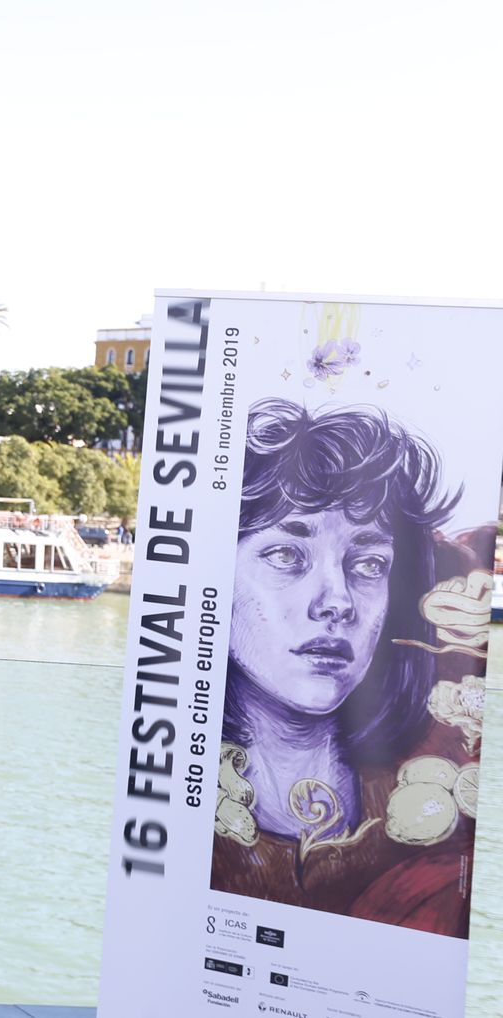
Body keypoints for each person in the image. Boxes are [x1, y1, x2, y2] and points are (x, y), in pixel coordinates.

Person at [211, 397, 487, 936]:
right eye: (287, 556)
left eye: (368, 563)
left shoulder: (439, 790)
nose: (337, 601)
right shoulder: (176, 795)